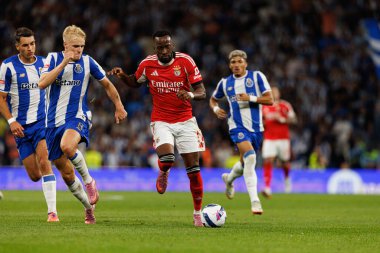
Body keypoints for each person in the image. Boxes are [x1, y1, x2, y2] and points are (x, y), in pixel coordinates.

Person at [108, 31, 206, 227]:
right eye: (159, 47)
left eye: (166, 46)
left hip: (186, 120)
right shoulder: (147, 64)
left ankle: (197, 213)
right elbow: (135, 82)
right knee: (167, 158)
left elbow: (202, 91)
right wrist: (122, 76)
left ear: (172, 46)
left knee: (193, 170)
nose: (163, 50)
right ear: (155, 48)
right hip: (161, 120)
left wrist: (191, 95)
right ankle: (163, 171)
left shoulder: (185, 62)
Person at [38, 25, 127, 224]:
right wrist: (64, 63)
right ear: (65, 45)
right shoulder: (52, 59)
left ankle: (89, 181)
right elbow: (42, 83)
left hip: (77, 116)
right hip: (52, 123)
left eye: (82, 46)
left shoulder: (88, 62)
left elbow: (107, 84)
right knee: (67, 173)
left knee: (68, 146)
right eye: (75, 46)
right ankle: (88, 207)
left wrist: (119, 105)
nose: (79, 50)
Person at [0, 27, 59, 222]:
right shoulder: (7, 66)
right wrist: (11, 121)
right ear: (17, 46)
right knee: (35, 175)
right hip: (21, 128)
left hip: (42, 123)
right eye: (25, 45)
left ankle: (52, 212)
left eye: (32, 44)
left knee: (45, 163)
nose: (30, 48)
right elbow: (1, 99)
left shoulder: (44, 64)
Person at [210, 49, 273, 215]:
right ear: (229, 65)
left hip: (257, 129)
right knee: (251, 157)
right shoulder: (225, 83)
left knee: (245, 164)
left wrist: (250, 98)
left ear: (246, 63)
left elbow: (270, 99)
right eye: (233, 62)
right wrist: (216, 108)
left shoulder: (257, 77)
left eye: (239, 62)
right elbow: (213, 99)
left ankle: (229, 180)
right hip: (236, 126)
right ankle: (255, 201)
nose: (236, 65)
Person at [261, 86, 297, 198]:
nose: (274, 94)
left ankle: (287, 179)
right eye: (271, 92)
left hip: (283, 139)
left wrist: (283, 119)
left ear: (279, 94)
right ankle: (267, 187)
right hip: (269, 138)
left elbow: (294, 119)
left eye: (275, 92)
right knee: (268, 160)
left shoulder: (285, 105)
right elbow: (260, 122)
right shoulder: (263, 106)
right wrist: (265, 123)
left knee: (285, 162)